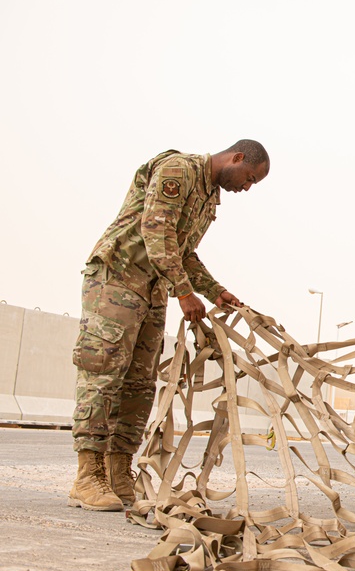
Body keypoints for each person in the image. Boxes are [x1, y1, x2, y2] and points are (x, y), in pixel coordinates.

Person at [69, 140, 270, 512]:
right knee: (103, 374)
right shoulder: (178, 171)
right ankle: (87, 476)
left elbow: (183, 251)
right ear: (237, 158)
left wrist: (215, 292)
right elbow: (155, 231)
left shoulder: (208, 199)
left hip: (152, 288)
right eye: (250, 178)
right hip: (118, 280)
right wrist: (184, 293)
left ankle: (117, 471)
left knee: (139, 384)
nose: (247, 187)